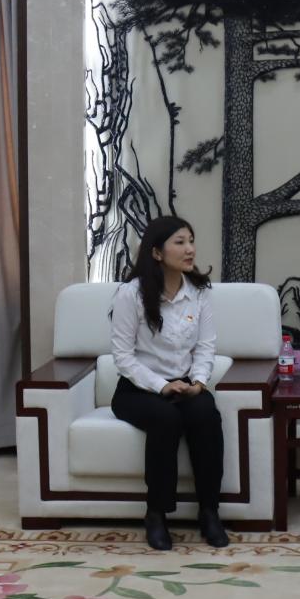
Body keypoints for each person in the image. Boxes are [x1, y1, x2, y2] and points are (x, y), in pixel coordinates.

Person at [109, 216, 227, 552]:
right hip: (137, 390)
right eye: (180, 242)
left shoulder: (199, 293)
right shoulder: (130, 294)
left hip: (186, 384)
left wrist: (199, 382)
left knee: (206, 413)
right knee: (166, 418)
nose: (190, 249)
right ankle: (157, 513)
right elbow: (122, 357)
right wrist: (161, 385)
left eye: (191, 241)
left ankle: (209, 512)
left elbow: (206, 347)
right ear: (157, 252)